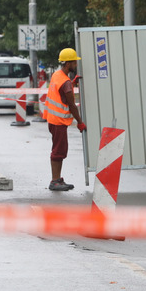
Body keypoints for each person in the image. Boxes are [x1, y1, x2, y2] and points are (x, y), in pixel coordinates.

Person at [42, 48, 87, 191]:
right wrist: (80, 122)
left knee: (59, 150)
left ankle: (57, 179)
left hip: (52, 119)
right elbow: (72, 106)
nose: (76, 65)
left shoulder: (57, 75)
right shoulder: (65, 83)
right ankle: (55, 181)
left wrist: (72, 82)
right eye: (74, 62)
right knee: (58, 151)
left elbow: (61, 92)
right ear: (68, 64)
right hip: (59, 122)